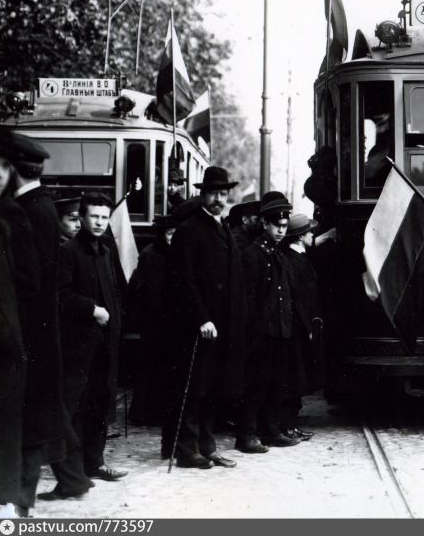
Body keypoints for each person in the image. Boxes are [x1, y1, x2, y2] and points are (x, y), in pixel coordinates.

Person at [1, 132, 91, 511]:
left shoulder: (26, 211)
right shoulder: (43, 206)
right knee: (45, 413)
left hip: (30, 333)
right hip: (42, 331)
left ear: (13, 170)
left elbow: (28, 282)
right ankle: (70, 480)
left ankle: (20, 502)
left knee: (32, 419)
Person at [163, 166, 245, 470]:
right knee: (195, 387)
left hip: (222, 324)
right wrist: (201, 318)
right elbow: (183, 280)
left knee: (213, 387)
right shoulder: (190, 230)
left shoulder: (223, 227)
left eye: (223, 194)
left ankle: (207, 446)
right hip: (198, 326)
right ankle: (187, 449)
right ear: (202, 195)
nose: (219, 199)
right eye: (213, 193)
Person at [57, 192, 127, 484]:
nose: (99, 222)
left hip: (105, 343)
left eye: (104, 217)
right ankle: (73, 471)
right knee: (76, 406)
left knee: (100, 402)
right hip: (78, 344)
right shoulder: (68, 251)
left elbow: (115, 292)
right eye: (94, 216)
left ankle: (95, 463)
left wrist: (116, 320)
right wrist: (92, 310)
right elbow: (60, 296)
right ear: (83, 218)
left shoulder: (106, 251)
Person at [238, 196, 300, 452]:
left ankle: (270, 431)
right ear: (264, 224)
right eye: (277, 226)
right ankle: (246, 435)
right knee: (255, 385)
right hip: (261, 333)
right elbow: (248, 299)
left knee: (275, 384)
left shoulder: (277, 254)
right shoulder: (252, 255)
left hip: (279, 330)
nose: (282, 231)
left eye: (284, 226)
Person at [126, 214, 179, 428]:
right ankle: (145, 413)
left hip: (168, 319)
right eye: (169, 234)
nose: (172, 238)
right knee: (151, 366)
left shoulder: (175, 253)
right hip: (154, 319)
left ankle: (159, 411)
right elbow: (147, 289)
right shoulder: (151, 255)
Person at [0, 141, 26, 518]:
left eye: (4, 167)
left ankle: (3, 498)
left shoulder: (9, 220)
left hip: (4, 341)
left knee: (5, 424)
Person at [280, 212, 324, 442]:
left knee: (298, 376)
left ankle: (291, 424)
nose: (312, 235)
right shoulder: (292, 260)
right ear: (300, 236)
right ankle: (287, 425)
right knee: (293, 377)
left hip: (303, 326)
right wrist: (307, 327)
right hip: (297, 328)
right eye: (309, 232)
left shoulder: (299, 257)